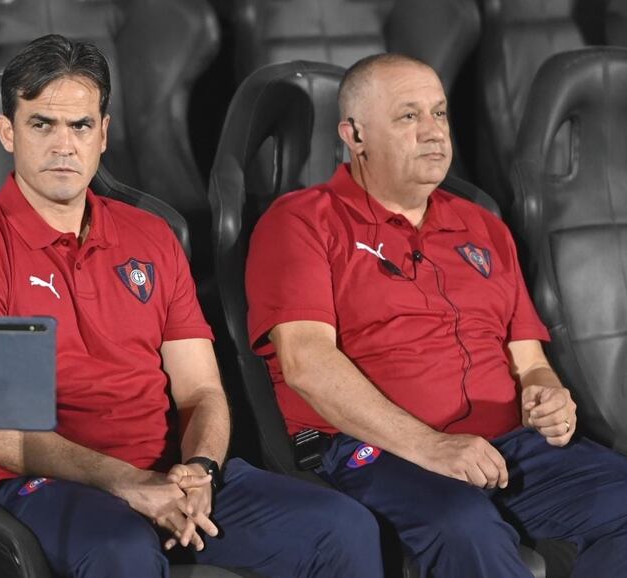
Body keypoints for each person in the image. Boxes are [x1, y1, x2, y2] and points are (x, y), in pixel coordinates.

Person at [0, 35, 384, 578]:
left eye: (81, 125)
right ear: (7, 133)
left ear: (104, 134)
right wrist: (122, 480)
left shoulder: (152, 235)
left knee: (342, 527)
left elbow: (202, 389)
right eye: (42, 124)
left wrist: (200, 469)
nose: (63, 145)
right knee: (123, 554)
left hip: (172, 474)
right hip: (55, 485)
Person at [245, 53, 627, 577]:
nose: (434, 133)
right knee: (464, 527)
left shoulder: (483, 225)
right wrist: (432, 448)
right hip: (376, 449)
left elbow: (529, 358)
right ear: (355, 136)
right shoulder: (301, 222)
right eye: (409, 117)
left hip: (510, 446)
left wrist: (549, 394)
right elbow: (307, 363)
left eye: (440, 114)